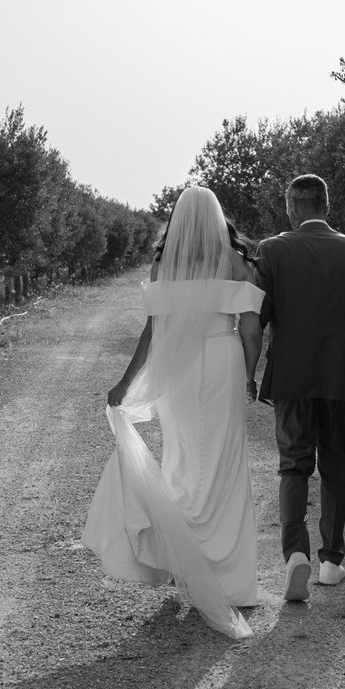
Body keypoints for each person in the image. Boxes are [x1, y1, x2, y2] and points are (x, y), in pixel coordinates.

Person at [82, 185, 264, 639]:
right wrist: (249, 372)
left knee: (183, 461)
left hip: (179, 371)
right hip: (223, 360)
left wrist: (125, 383)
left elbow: (152, 331)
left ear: (180, 221)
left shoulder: (165, 265)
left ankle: (187, 563)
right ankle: (229, 580)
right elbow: (252, 327)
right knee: (224, 464)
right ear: (218, 219)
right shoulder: (239, 262)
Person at [255, 174, 345, 603]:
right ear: (327, 207)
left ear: (293, 209)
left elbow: (255, 318)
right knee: (335, 463)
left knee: (293, 465)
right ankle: (331, 561)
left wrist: (241, 369)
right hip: (339, 378)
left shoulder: (272, 250)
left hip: (291, 378)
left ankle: (295, 554)